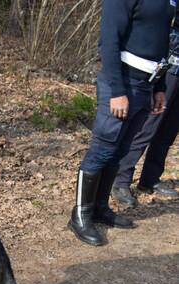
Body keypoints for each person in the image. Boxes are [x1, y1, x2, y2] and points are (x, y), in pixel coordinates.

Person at [68, 0, 176, 246]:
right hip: (121, 81)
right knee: (103, 148)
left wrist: (159, 87)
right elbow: (109, 41)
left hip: (146, 84)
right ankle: (80, 216)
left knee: (120, 150)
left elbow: (161, 40)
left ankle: (100, 208)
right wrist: (117, 91)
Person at [112, 11, 179, 206]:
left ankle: (150, 179)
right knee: (148, 126)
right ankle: (121, 180)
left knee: (169, 132)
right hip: (167, 67)